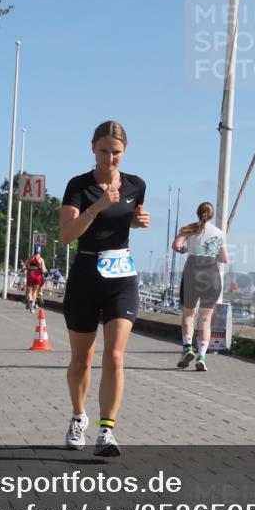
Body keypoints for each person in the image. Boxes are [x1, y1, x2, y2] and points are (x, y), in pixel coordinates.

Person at [59, 120, 150, 456]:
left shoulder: (136, 185)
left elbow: (127, 218)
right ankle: (78, 416)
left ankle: (106, 432)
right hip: (85, 273)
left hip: (120, 275)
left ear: (124, 152)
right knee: (81, 360)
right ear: (92, 148)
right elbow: (67, 234)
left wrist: (138, 222)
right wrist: (98, 205)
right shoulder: (78, 186)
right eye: (104, 151)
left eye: (116, 153)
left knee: (114, 356)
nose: (110, 158)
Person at [172, 202, 228, 372]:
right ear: (211, 215)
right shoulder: (219, 233)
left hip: (192, 273)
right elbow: (224, 258)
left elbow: (176, 246)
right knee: (205, 319)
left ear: (197, 213)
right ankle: (202, 357)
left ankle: (188, 348)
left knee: (189, 315)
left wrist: (185, 250)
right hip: (211, 274)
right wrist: (212, 251)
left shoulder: (189, 229)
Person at [25, 246, 46, 310]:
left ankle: (30, 299)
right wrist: (46, 272)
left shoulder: (30, 258)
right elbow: (43, 270)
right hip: (37, 276)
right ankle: (33, 305)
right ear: (39, 252)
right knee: (35, 291)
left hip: (30, 275)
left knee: (29, 291)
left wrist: (28, 267)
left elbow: (26, 265)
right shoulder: (41, 259)